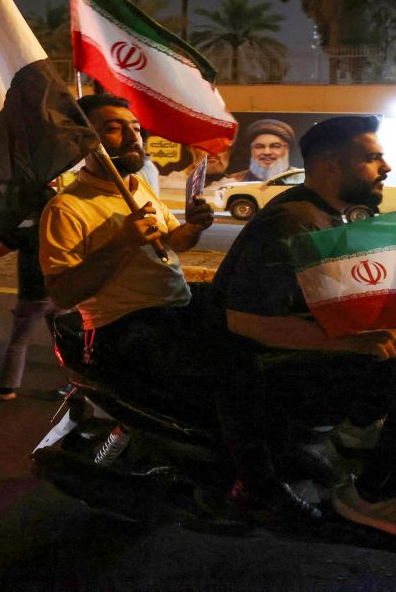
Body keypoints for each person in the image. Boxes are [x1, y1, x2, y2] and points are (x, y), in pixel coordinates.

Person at [39, 94, 320, 521]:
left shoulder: (137, 188)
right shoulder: (67, 208)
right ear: (84, 141)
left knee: (265, 322)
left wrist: (193, 225)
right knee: (236, 366)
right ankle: (255, 485)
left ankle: (288, 444)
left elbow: (171, 244)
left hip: (178, 306)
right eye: (114, 128)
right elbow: (63, 292)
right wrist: (122, 241)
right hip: (126, 327)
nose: (132, 136)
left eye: (135, 128)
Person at [213, 115, 396, 539]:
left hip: (295, 351)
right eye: (372, 158)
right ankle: (373, 496)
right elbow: (246, 320)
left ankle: (356, 434)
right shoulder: (291, 221)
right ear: (330, 164)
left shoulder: (322, 212)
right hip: (264, 366)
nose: (386, 167)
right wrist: (355, 343)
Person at [0, 192, 57, 401]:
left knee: (18, 342)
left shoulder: (28, 232)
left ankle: (5, 387)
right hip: (61, 291)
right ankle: (77, 384)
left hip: (34, 295)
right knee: (66, 340)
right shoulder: (64, 227)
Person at [226, 118, 295, 182]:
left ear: (286, 149)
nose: (267, 152)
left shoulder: (300, 179)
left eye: (275, 146)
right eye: (259, 147)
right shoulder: (234, 181)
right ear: (252, 150)